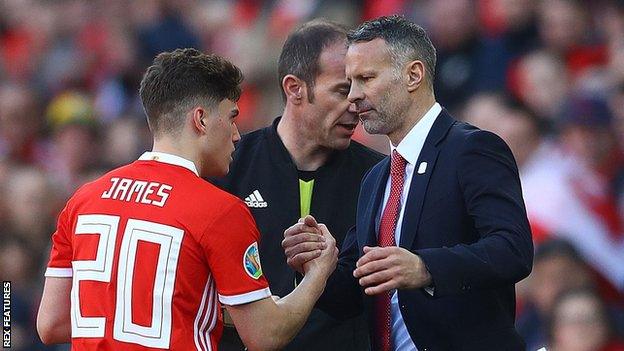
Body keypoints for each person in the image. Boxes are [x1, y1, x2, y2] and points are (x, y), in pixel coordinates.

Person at [36, 48, 338, 351]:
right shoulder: (219, 210)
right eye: (231, 117)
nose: (236, 134)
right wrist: (318, 274)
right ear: (201, 120)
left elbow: (51, 324)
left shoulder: (84, 199)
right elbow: (265, 335)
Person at [283, 15, 534, 350]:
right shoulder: (375, 179)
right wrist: (320, 267)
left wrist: (425, 267)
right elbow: (356, 293)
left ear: (413, 75)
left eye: (366, 78)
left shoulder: (472, 149)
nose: (353, 97)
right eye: (349, 82)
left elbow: (513, 249)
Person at [216, 20, 383, 350]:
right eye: (341, 90)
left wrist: (325, 270)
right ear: (295, 88)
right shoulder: (229, 167)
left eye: (360, 89)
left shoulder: (378, 177)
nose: (356, 103)